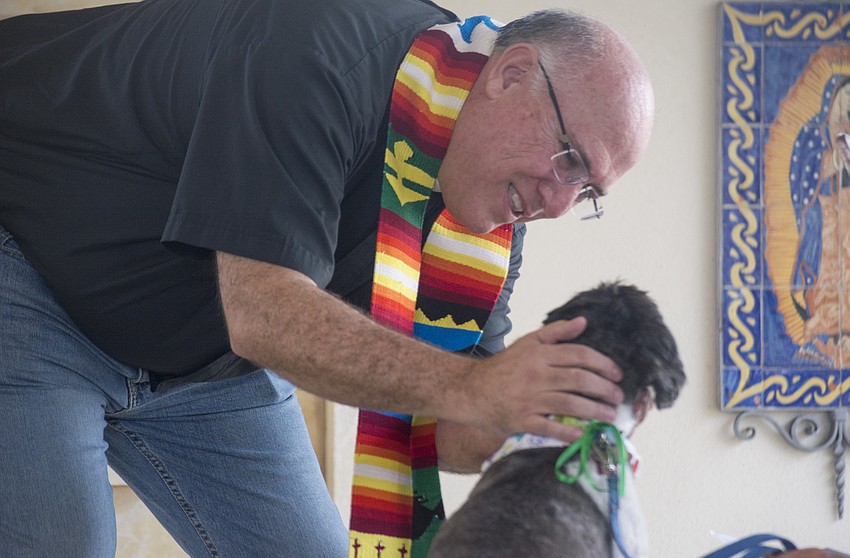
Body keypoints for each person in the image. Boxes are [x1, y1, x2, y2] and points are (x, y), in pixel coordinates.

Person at [0, 0, 654, 556]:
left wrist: (560, 425)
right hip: (32, 269)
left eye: (587, 191)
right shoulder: (326, 53)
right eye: (570, 160)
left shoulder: (485, 240)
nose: (560, 203)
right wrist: (479, 387)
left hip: (197, 363)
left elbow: (453, 427)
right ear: (511, 75)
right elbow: (264, 312)